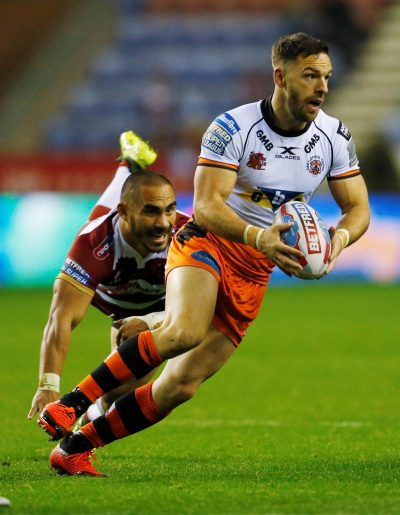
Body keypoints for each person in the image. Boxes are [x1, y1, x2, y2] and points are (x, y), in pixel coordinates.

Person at [37, 32, 370, 476]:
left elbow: (357, 208)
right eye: (310, 76)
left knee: (180, 385)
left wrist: (338, 240)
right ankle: (72, 403)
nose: (322, 87)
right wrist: (258, 237)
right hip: (209, 242)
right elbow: (208, 205)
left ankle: (76, 447)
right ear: (280, 77)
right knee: (184, 332)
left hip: (255, 270)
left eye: (326, 77)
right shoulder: (233, 128)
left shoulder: (334, 137)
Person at [28, 131, 189, 427]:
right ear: (124, 213)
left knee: (123, 389)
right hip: (116, 300)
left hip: (162, 305)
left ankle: (82, 428)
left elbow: (202, 306)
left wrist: (151, 321)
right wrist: (48, 383)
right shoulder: (94, 244)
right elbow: (61, 318)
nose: (163, 223)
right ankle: (128, 163)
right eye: (152, 212)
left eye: (169, 210)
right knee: (100, 217)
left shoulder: (186, 235)